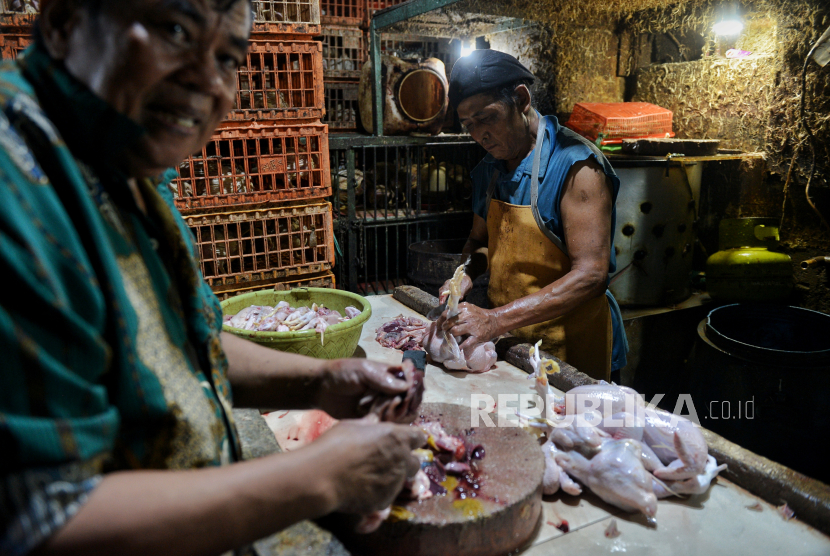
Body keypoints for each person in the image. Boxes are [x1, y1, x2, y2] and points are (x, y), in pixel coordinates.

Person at [0, 1, 425, 555]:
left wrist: (320, 381)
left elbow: (173, 339)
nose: (209, 83)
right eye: (174, 31)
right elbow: (38, 523)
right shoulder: (18, 192)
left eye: (228, 57)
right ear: (63, 23)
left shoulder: (121, 158)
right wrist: (318, 478)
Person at [438, 49, 628, 381]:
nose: (478, 134)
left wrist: (495, 320)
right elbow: (479, 242)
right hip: (513, 343)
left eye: (486, 117)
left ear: (521, 99)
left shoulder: (576, 166)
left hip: (570, 351)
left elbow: (591, 276)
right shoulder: (489, 171)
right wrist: (463, 274)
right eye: (468, 124)